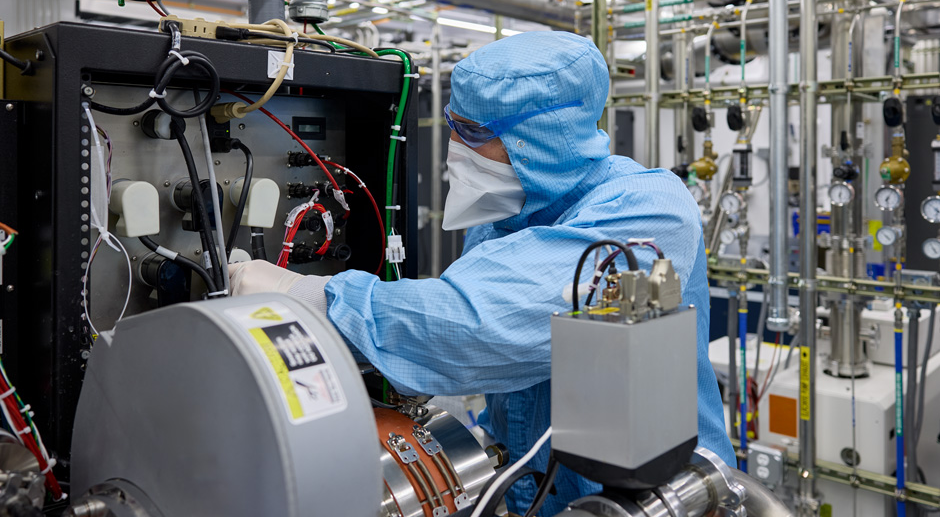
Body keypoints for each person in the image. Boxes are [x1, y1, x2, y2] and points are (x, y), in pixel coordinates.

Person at [229, 31, 735, 516]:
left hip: (658, 496)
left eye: (474, 133)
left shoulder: (646, 209)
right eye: (453, 124)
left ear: (541, 136)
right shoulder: (502, 216)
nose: (455, 148)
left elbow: (478, 327)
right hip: (528, 492)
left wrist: (309, 298)